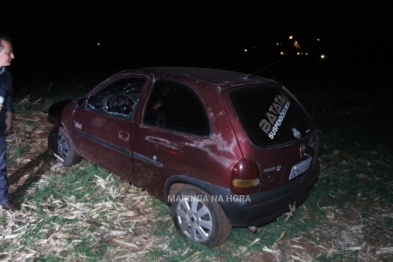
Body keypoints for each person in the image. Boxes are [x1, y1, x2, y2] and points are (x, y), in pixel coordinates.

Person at [0, 33, 18, 211]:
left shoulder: (6, 75)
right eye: (9, 52)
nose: (12, 56)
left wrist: (9, 115)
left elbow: (8, 97)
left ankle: (3, 198)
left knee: (0, 164)